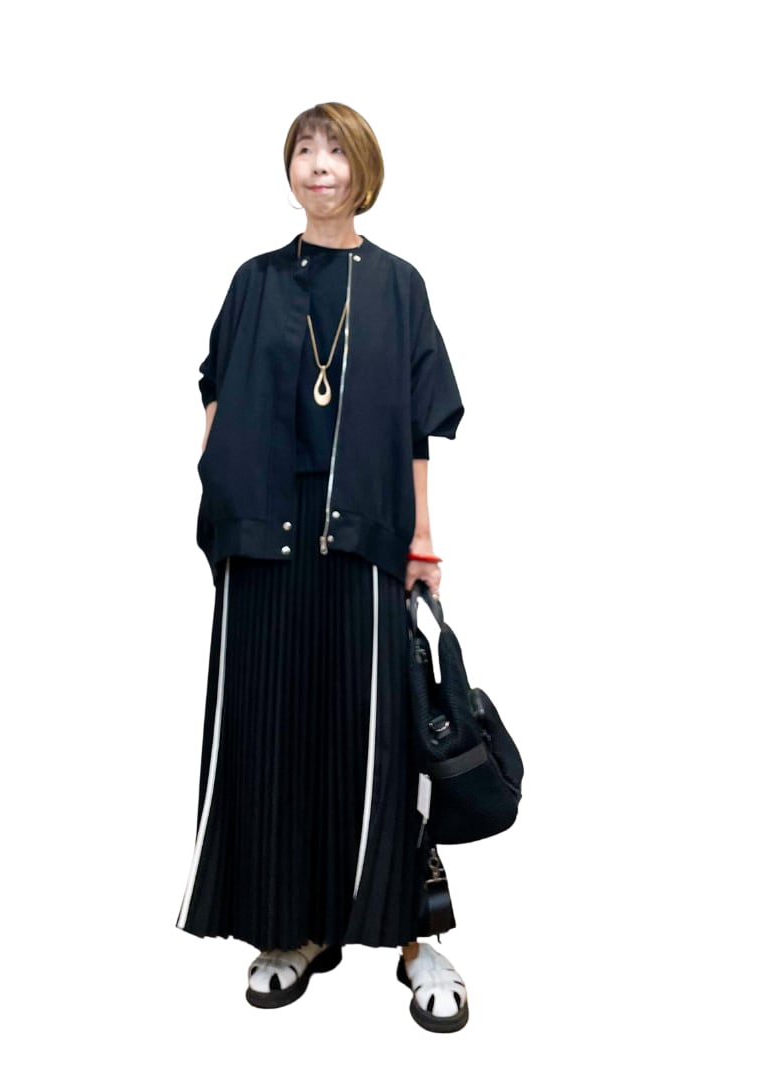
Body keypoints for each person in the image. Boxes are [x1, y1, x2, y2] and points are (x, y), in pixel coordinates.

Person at [175, 102, 469, 1033]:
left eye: (334, 150)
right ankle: (290, 929)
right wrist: (222, 486)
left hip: (364, 533)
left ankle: (416, 938)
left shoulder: (398, 285)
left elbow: (418, 425)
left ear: (362, 168)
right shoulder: (255, 281)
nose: (317, 164)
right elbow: (215, 389)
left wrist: (422, 541)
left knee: (383, 741)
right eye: (304, 149)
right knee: (269, 732)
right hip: (265, 536)